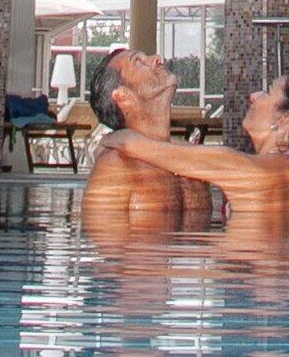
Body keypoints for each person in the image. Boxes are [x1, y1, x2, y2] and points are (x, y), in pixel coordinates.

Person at [109, 69, 289, 248]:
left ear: (283, 120)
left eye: (267, 92)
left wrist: (105, 139)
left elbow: (132, 144)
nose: (253, 96)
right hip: (286, 286)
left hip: (262, 293)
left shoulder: (247, 171)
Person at [78, 45, 207, 238]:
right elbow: (108, 251)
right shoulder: (113, 170)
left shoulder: (192, 158)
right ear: (123, 96)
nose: (157, 58)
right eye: (138, 62)